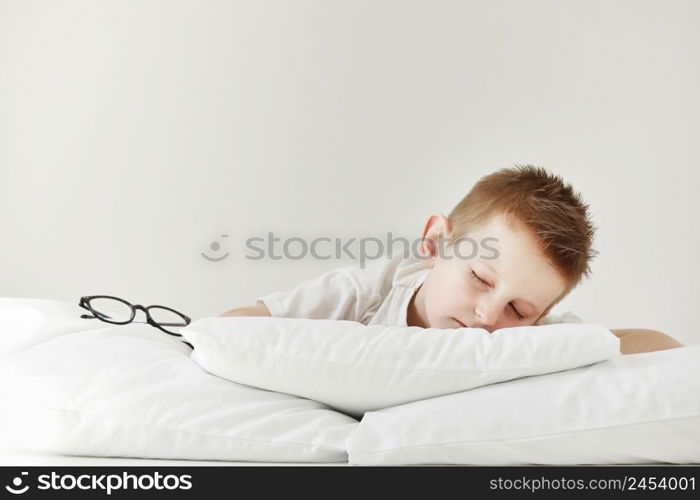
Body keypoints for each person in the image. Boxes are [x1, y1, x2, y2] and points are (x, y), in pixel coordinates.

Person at [221, 165, 683, 355]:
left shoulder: (527, 338)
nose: (488, 316)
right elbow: (239, 322)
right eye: (481, 278)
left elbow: (654, 345)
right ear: (437, 242)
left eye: (519, 309)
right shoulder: (369, 291)